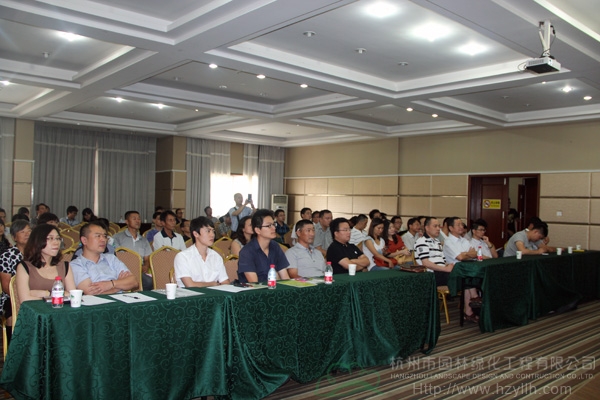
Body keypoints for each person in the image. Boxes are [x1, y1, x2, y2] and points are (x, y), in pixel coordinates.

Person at [71, 221, 138, 294]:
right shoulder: (76, 265)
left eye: (105, 236)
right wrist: (119, 285)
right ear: (84, 240)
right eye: (98, 236)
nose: (103, 240)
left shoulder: (111, 259)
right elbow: (91, 292)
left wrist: (111, 284)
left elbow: (134, 282)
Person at [16, 224, 77, 304]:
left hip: (60, 310)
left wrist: (46, 293)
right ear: (38, 241)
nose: (56, 242)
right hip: (35, 311)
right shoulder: (24, 267)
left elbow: (72, 296)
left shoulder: (65, 266)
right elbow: (24, 299)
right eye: (50, 238)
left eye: (58, 238)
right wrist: (59, 295)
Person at [174, 217, 230, 288]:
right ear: (196, 234)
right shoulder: (183, 257)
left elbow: (225, 282)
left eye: (213, 231)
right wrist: (213, 284)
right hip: (191, 294)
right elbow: (190, 285)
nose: (212, 235)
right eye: (208, 231)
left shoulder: (216, 256)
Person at [237, 209, 290, 283]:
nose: (274, 228)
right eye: (269, 226)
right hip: (254, 289)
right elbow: (254, 284)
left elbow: (285, 278)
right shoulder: (246, 252)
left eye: (273, 224)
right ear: (257, 230)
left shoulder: (275, 246)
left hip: (273, 288)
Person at [442, 217, 479, 320]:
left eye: (462, 224)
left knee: (469, 279)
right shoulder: (448, 242)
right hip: (453, 273)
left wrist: (465, 254)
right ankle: (475, 298)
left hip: (465, 272)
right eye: (458, 225)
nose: (461, 227)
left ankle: (469, 311)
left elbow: (475, 253)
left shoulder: (464, 240)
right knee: (468, 278)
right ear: (451, 228)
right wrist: (467, 254)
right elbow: (460, 258)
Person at [0, 220, 31, 339]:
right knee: (12, 314)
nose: (27, 234)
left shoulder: (37, 254)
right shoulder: (7, 256)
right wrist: (21, 297)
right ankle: (13, 345)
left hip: (35, 294)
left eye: (29, 231)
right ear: (14, 237)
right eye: (22, 232)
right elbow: (6, 286)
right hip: (12, 296)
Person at [112, 210, 154, 291]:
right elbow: (118, 256)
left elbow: (147, 258)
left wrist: (146, 266)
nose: (137, 221)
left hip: (139, 270)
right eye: (134, 219)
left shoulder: (143, 240)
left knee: (149, 282)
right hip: (123, 270)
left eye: (139, 219)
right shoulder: (117, 237)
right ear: (127, 221)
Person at [414, 217, 454, 285]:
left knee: (462, 274)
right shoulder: (421, 241)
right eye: (435, 226)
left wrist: (450, 266)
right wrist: (445, 269)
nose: (438, 229)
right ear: (427, 228)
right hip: (430, 274)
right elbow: (425, 263)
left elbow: (443, 261)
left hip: (441, 272)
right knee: (458, 278)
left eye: (439, 226)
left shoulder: (437, 242)